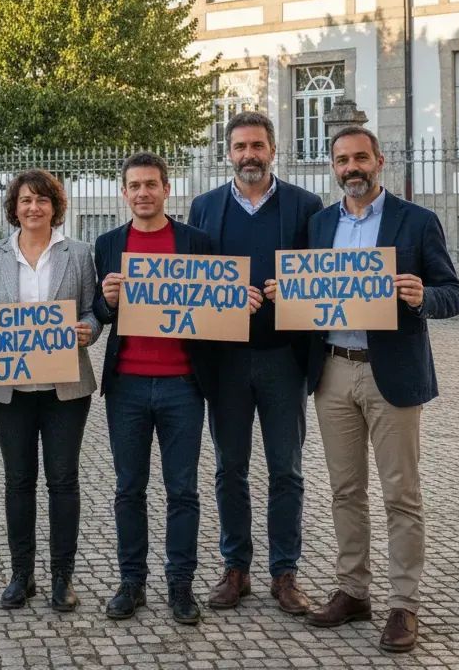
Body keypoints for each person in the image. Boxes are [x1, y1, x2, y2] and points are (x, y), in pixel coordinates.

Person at [267, 126, 459, 653]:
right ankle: (353, 590)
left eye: (360, 158)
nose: (351, 167)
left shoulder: (416, 221)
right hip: (332, 371)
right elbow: (310, 294)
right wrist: (285, 292)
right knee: (344, 491)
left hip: (391, 373)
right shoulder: (319, 223)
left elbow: (454, 295)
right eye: (341, 160)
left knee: (402, 493)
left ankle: (404, 604)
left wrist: (424, 296)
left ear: (378, 161)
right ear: (333, 167)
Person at [94, 152, 246, 625]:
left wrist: (241, 300)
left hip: (183, 384)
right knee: (128, 489)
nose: (143, 193)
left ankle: (180, 584)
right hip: (127, 386)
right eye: (134, 185)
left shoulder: (196, 242)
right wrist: (105, 301)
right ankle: (131, 582)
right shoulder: (107, 244)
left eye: (151, 185)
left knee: (182, 490)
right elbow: (98, 315)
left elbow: (217, 308)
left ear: (166, 190)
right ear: (124, 193)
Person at [0, 169, 99, 612]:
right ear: (14, 207)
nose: (34, 207)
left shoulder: (79, 253)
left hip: (66, 386)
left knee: (64, 479)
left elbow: (91, 311)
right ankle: (21, 575)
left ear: (55, 207)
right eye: (26, 200)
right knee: (18, 480)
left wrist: (89, 329)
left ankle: (62, 578)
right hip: (8, 388)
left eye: (43, 200)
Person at [188, 112, 322, 614]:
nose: (250, 154)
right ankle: (235, 568)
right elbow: (194, 284)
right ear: (229, 152)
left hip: (284, 359)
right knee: (229, 468)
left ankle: (285, 573)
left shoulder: (305, 207)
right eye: (241, 146)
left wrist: (294, 293)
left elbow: (321, 280)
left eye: (258, 145)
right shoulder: (204, 207)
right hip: (225, 363)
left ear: (273, 149)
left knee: (287, 469)